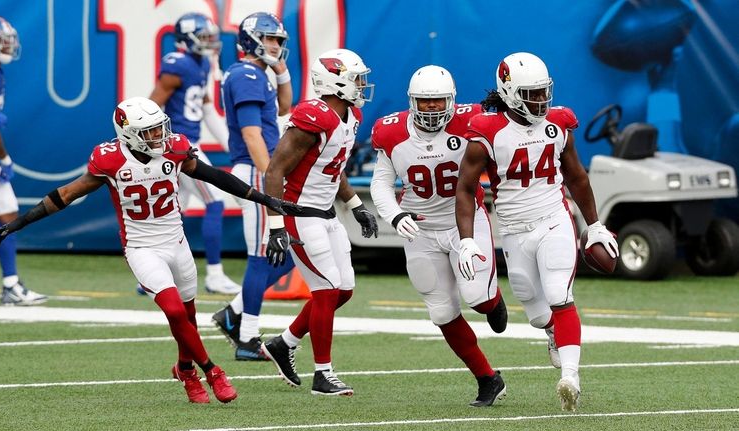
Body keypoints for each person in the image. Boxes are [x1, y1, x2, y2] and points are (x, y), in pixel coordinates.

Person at [0, 97, 299, 404]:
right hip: (141, 247)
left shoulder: (174, 149)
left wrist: (264, 199)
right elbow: (66, 194)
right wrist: (21, 221)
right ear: (128, 134)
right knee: (175, 311)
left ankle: (185, 368)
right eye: (149, 131)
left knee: (187, 316)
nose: (159, 136)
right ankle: (211, 371)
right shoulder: (110, 160)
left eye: (159, 128)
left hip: (176, 242)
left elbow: (213, 175)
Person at [455, 52, 618, 412]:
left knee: (560, 293)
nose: (542, 101)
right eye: (532, 94)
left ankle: (570, 378)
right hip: (513, 228)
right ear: (510, 93)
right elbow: (465, 189)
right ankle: (550, 331)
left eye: (544, 92)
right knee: (533, 306)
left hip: (553, 218)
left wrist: (594, 225)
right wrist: (466, 240)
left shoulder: (558, 124)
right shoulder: (487, 133)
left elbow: (576, 176)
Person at [369, 65, 508, 407]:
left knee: (477, 297)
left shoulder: (472, 120)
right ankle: (487, 379)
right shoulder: (391, 132)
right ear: (412, 102)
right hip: (420, 229)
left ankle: (492, 300)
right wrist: (395, 214)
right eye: (424, 102)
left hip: (465, 222)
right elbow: (381, 183)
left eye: (438, 101)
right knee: (442, 313)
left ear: (452, 101)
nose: (431, 108)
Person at [259, 48, 378, 396]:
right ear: (336, 80)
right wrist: (275, 225)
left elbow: (334, 167)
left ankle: (284, 343)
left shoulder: (350, 116)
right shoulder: (314, 115)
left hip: (326, 214)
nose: (361, 85)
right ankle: (323, 374)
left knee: (343, 291)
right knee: (326, 290)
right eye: (357, 79)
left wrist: (355, 204)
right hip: (299, 215)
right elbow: (274, 171)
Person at [211, 12, 295, 361]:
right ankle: (247, 336)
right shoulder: (245, 74)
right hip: (256, 172)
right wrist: (270, 177)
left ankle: (233, 314)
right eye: (270, 38)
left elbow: (285, 107)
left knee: (289, 254)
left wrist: (281, 71)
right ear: (251, 39)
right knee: (263, 256)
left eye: (279, 40)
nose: (276, 45)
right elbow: (251, 133)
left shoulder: (258, 73)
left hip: (261, 171)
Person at [148, 12, 241, 295]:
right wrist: (159, 148)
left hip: (186, 145)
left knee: (174, 215)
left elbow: (207, 110)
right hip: (179, 148)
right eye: (203, 37)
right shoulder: (177, 65)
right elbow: (152, 108)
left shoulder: (199, 63)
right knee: (214, 202)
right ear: (187, 39)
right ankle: (214, 274)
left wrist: (232, 146)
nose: (210, 42)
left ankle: (151, 277)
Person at [0, 16, 47, 306]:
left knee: (7, 214)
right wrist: (4, 157)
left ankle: (11, 285)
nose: (8, 45)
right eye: (1, 39)